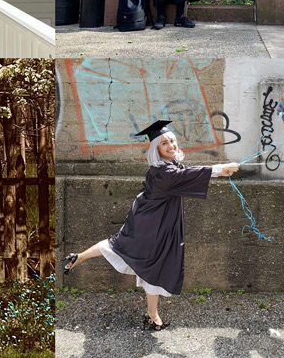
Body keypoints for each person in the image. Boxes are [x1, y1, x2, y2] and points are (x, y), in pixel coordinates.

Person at [62, 121, 239, 330]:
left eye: (172, 141)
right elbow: (185, 176)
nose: (171, 145)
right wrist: (219, 168)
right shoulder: (165, 172)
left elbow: (188, 172)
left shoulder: (164, 167)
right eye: (164, 143)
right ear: (156, 148)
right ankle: (152, 315)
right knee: (150, 264)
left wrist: (219, 172)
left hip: (149, 221)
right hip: (154, 226)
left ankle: (79, 257)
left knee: (122, 247)